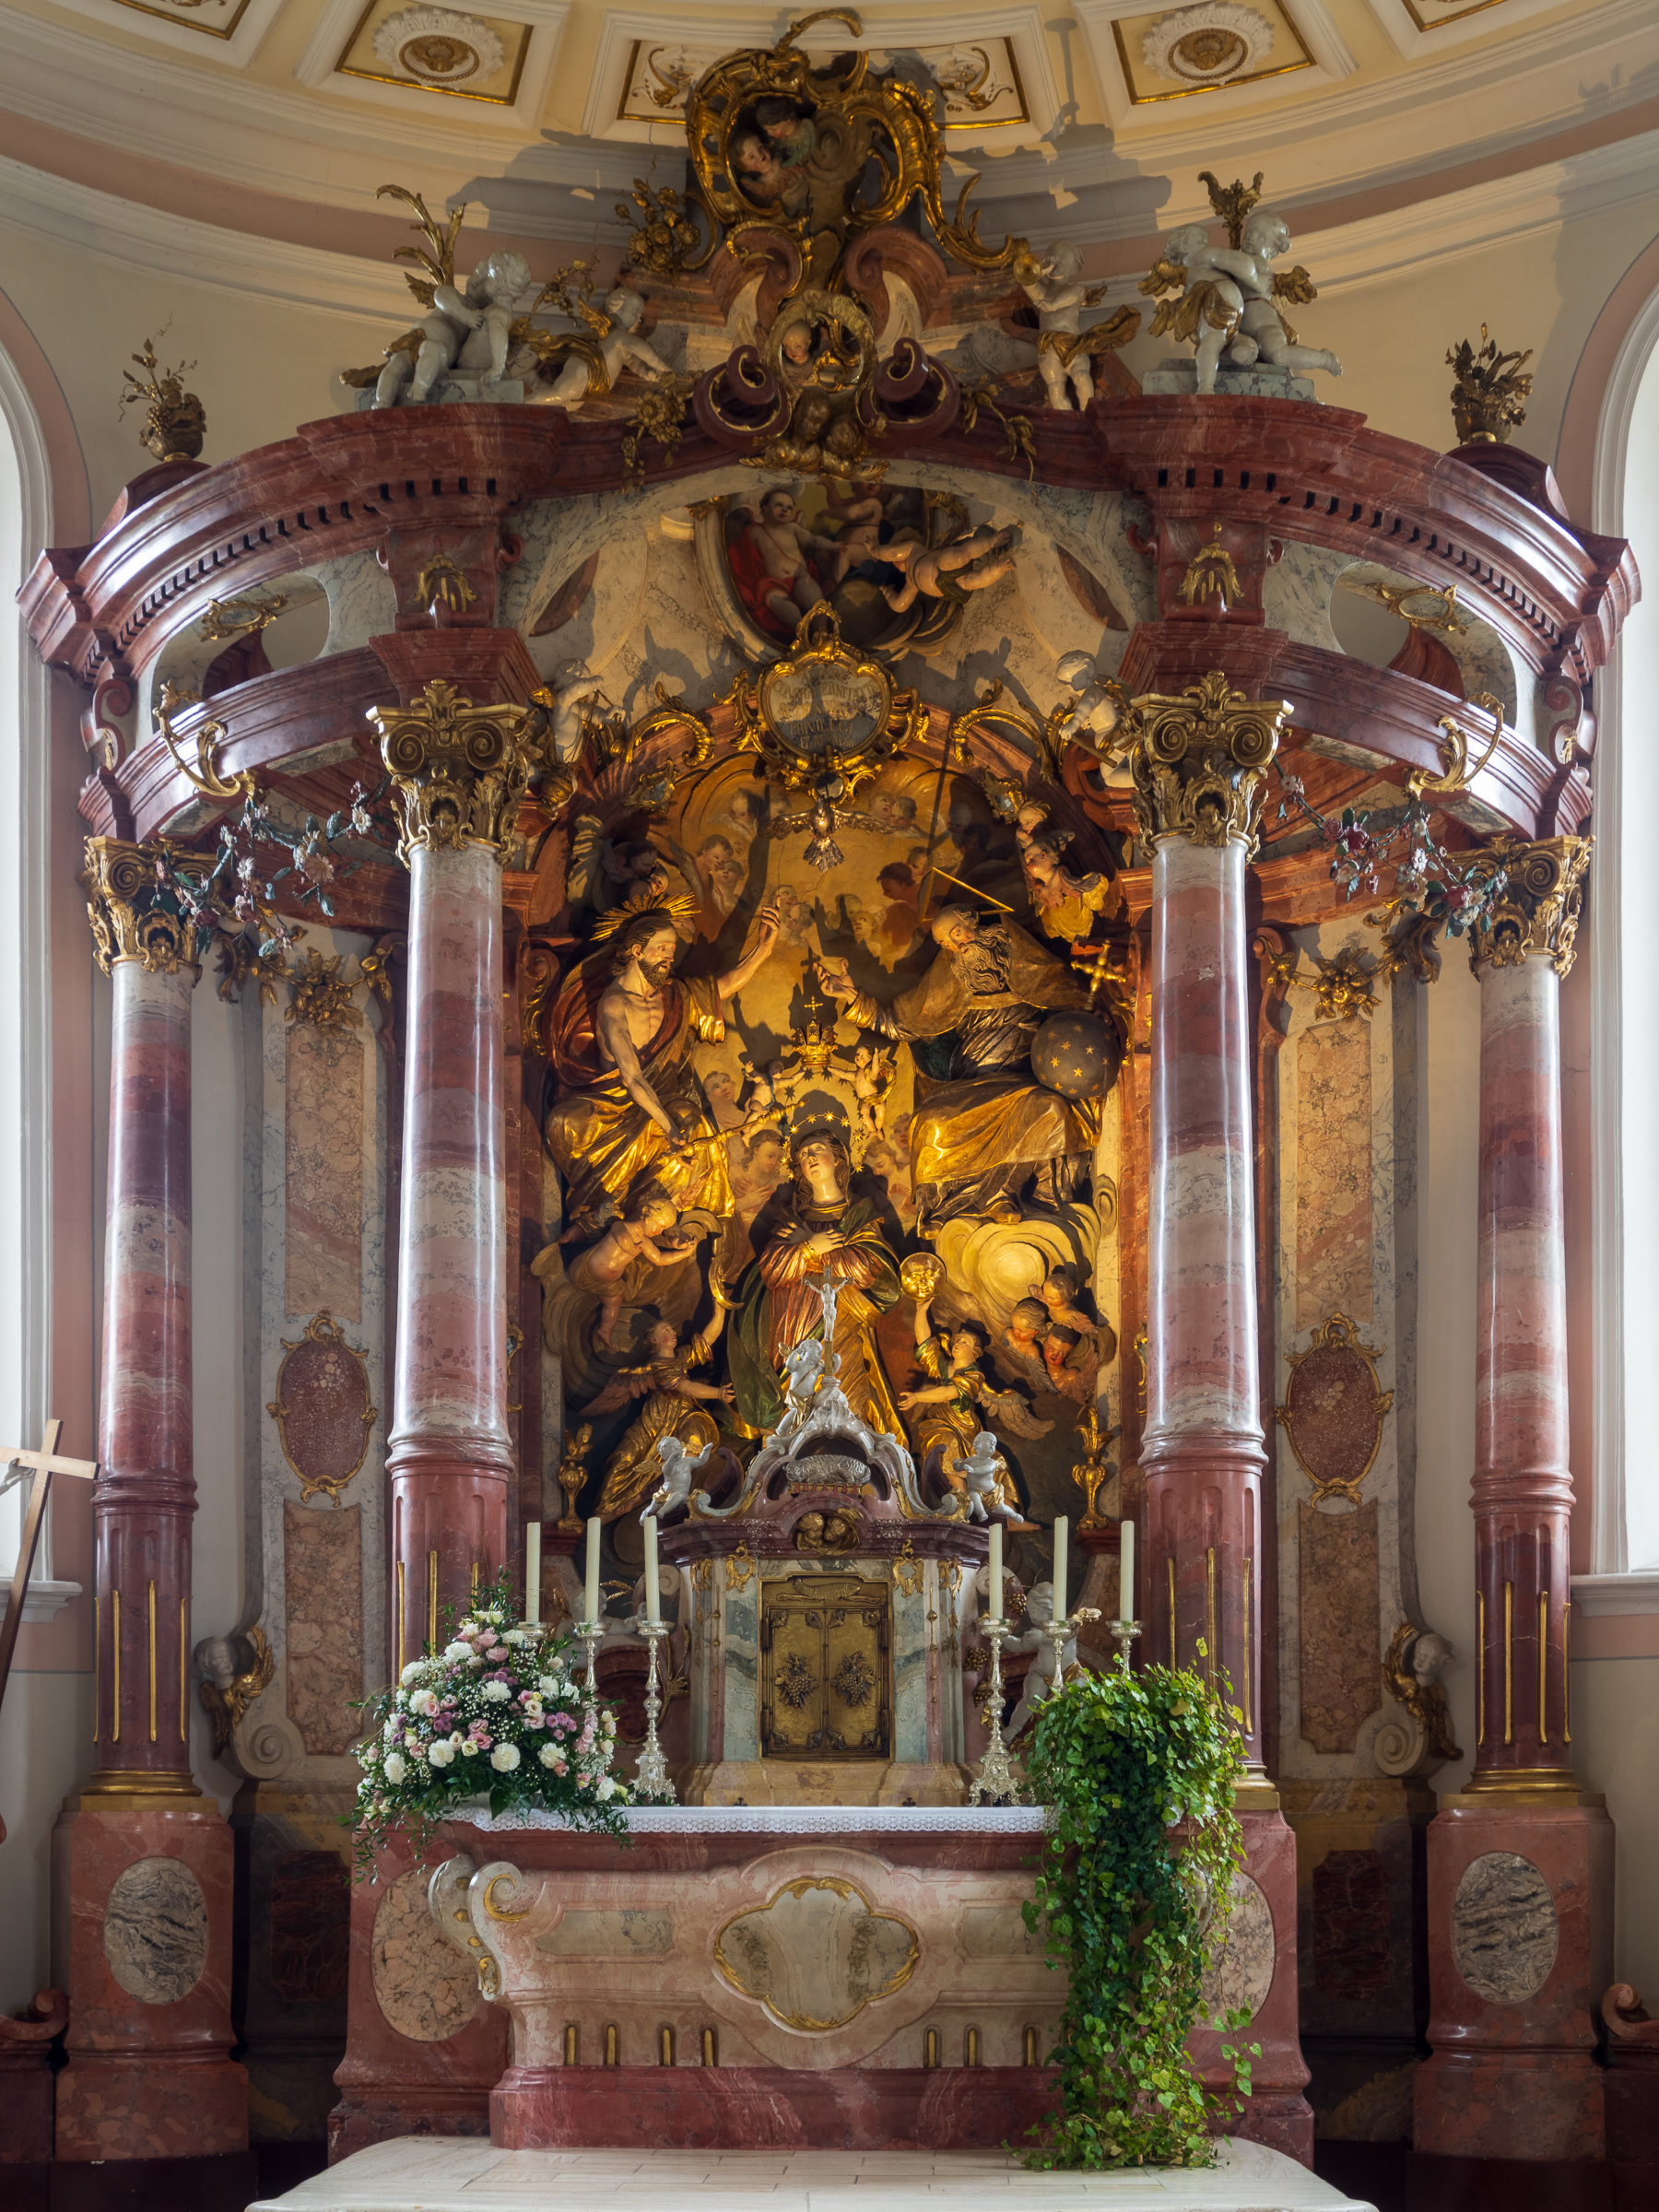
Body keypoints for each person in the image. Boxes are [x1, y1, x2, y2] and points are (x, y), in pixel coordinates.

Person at [818, 906, 1111, 1232]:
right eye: (946, 945)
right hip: (969, 1083)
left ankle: (1006, 1196)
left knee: (1049, 1109)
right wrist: (852, 996)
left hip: (1022, 1080)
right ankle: (940, 1209)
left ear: (972, 921)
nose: (957, 948)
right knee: (930, 1123)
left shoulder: (1030, 966)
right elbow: (901, 1024)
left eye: (956, 934)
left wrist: (1090, 1010)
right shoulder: (949, 982)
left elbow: (1072, 999)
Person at [545, 904, 780, 1241]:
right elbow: (633, 1078)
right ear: (637, 950)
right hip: (616, 1105)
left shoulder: (675, 996)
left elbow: (720, 989)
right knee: (562, 1123)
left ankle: (654, 1219)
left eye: (672, 951)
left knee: (693, 1123)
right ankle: (602, 1212)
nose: (669, 957)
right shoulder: (614, 1004)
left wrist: (762, 951)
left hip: (665, 1102)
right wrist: (666, 1126)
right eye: (661, 949)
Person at [727, 1131, 903, 1438]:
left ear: (837, 1160)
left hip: (840, 1322)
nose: (809, 1158)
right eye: (803, 1155)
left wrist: (812, 1248)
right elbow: (771, 1269)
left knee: (845, 1403)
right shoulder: (790, 1219)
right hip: (790, 1323)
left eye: (817, 1150)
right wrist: (810, 1248)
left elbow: (869, 1268)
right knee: (794, 1409)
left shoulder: (859, 1215)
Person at [896, 1289, 1043, 1524]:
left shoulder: (974, 1374)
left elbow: (949, 1392)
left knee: (993, 1465)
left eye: (964, 1342)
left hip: (965, 1426)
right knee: (946, 1442)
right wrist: (920, 1311)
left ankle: (1014, 1519)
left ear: (975, 1350)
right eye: (956, 1341)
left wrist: (917, 1398)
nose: (957, 1344)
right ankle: (963, 1502)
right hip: (939, 1424)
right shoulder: (942, 1366)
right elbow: (924, 1342)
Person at [581, 1310, 736, 1522]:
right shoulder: (654, 1367)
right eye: (666, 1330)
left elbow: (708, 1338)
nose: (672, 1332)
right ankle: (599, 1520)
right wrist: (717, 1393)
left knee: (695, 1432)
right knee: (625, 1459)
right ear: (654, 1339)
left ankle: (677, 1492)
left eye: (672, 1329)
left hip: (685, 1415)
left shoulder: (682, 1357)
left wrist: (719, 1307)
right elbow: (686, 1387)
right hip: (656, 1421)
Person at [372, 250, 531, 408]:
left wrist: (496, 364)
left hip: (440, 352)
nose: (476, 281)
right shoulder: (457, 299)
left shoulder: (484, 317)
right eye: (476, 273)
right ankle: (383, 399)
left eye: (485, 279)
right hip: (413, 338)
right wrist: (465, 315)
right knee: (394, 367)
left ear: (496, 287)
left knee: (431, 352)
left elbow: (475, 351)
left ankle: (419, 388)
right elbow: (440, 295)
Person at [728, 488, 842, 638]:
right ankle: (804, 632)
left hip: (801, 578)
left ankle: (822, 634)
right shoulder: (755, 531)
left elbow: (814, 540)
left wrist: (833, 546)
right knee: (777, 601)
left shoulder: (792, 528)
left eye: (789, 508)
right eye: (779, 505)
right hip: (774, 583)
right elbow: (742, 556)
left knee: (816, 603)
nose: (784, 510)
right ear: (765, 507)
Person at [537, 287, 676, 410]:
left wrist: (648, 372)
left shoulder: (621, 343)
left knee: (566, 406)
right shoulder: (619, 336)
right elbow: (644, 350)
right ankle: (524, 403)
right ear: (618, 309)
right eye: (635, 312)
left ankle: (533, 382)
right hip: (589, 369)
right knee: (559, 395)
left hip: (595, 382)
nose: (639, 319)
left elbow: (634, 361)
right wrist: (664, 368)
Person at [879, 525, 1019, 614]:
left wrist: (873, 549)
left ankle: (994, 541)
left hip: (943, 565)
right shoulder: (911, 584)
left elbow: (890, 552)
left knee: (960, 556)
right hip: (948, 588)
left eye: (896, 559)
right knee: (971, 582)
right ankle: (1001, 567)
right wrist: (887, 591)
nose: (895, 563)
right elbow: (899, 606)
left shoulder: (914, 549)